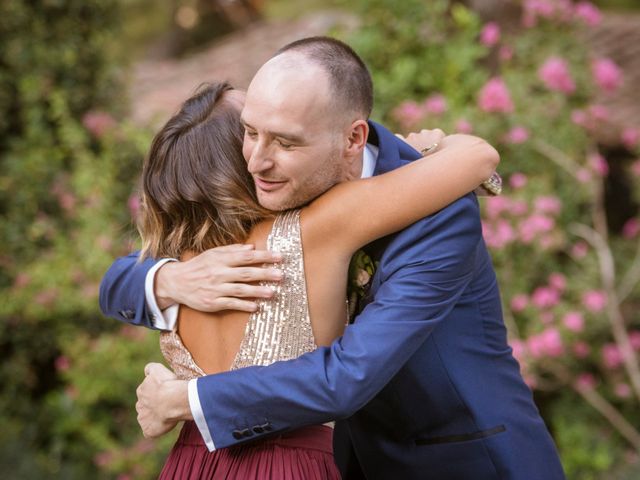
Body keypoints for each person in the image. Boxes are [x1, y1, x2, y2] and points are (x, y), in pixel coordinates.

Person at [101, 37, 566, 479]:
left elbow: (350, 375)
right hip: (346, 464)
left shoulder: (437, 213)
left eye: (284, 142)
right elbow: (120, 278)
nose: (255, 160)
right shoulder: (272, 197)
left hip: (465, 464)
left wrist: (187, 399)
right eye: (249, 133)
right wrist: (168, 281)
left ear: (352, 139)